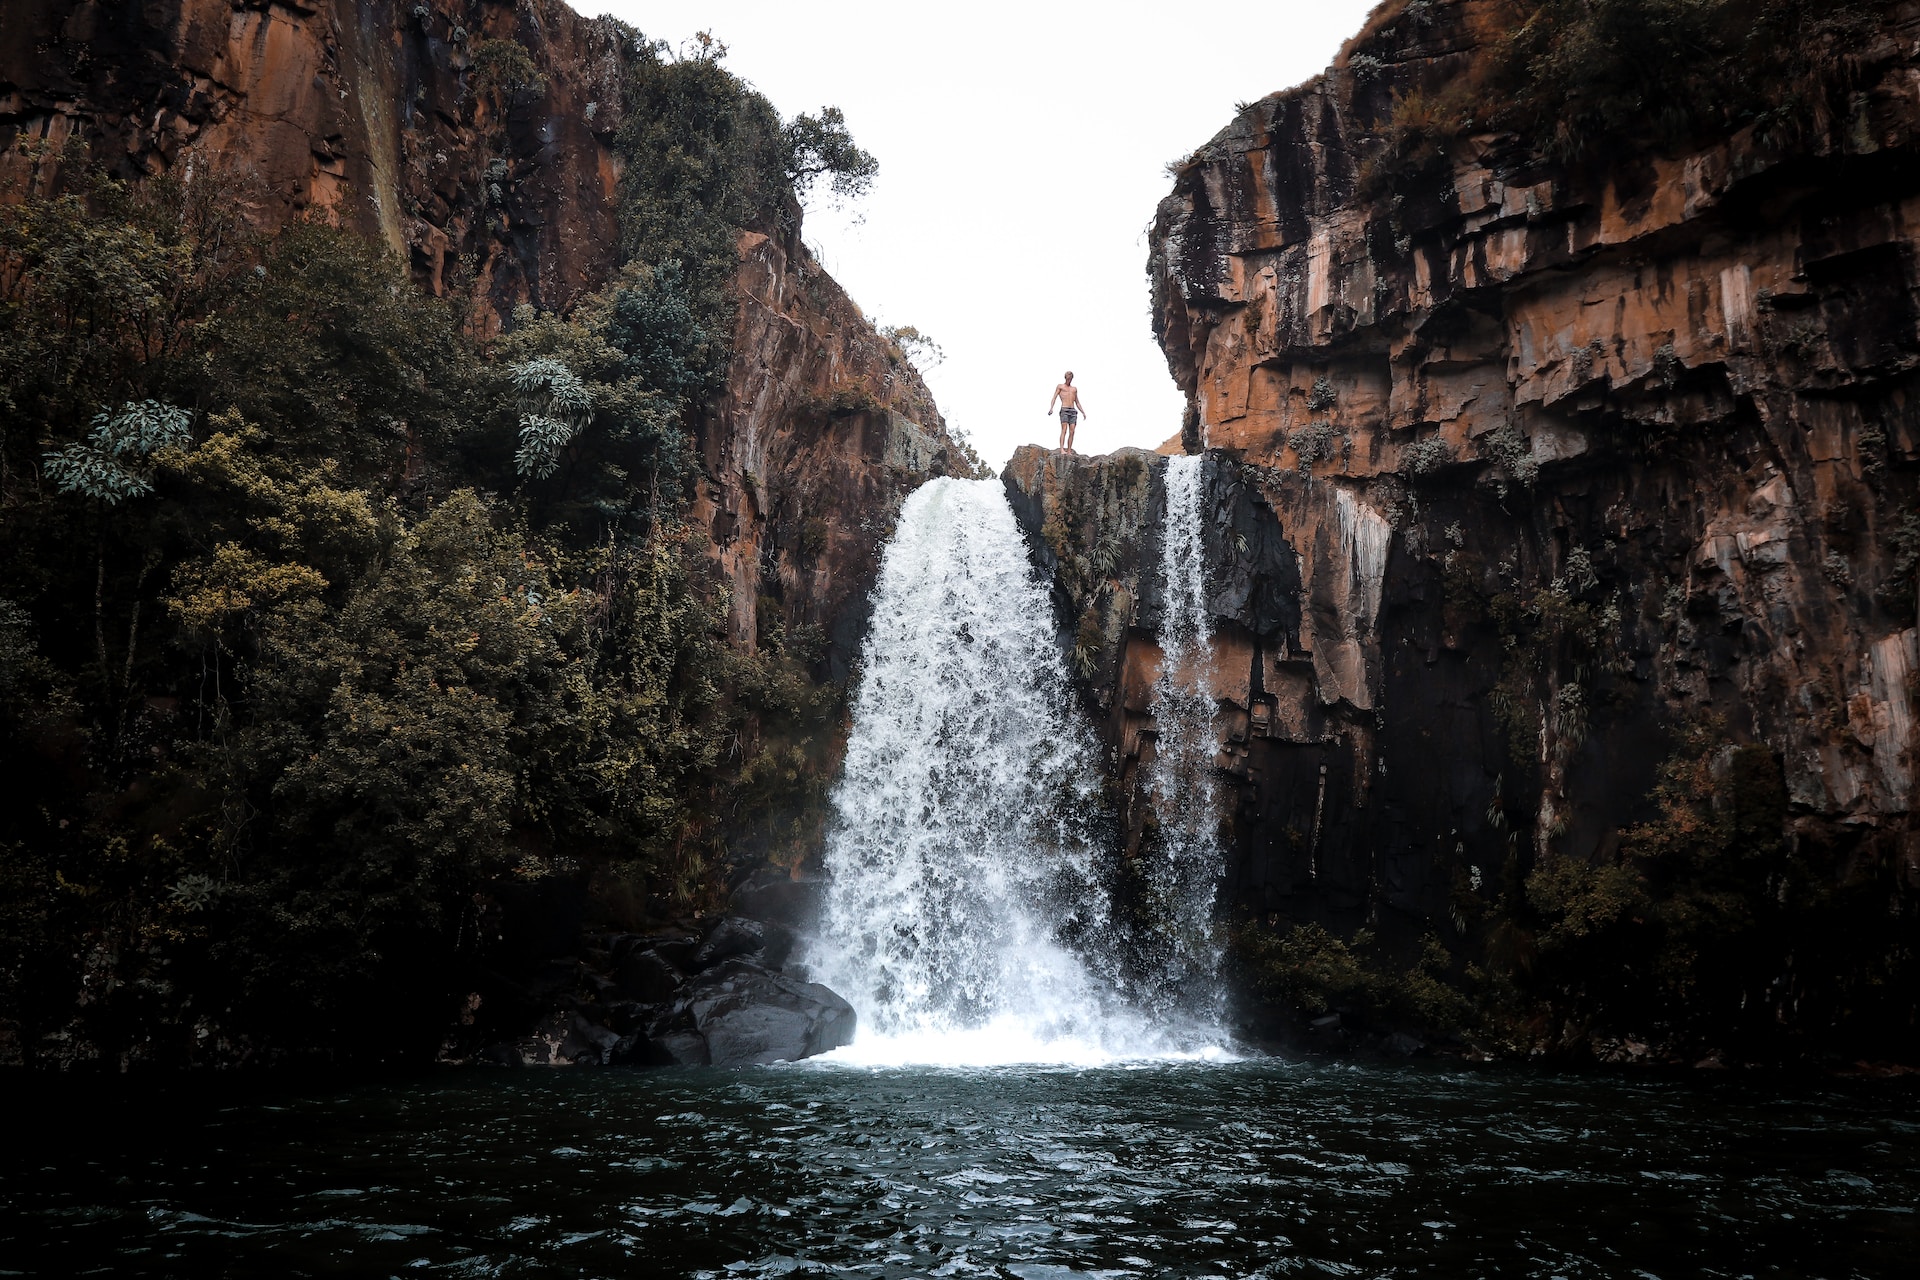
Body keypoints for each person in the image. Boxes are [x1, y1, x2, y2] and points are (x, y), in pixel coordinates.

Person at [1047, 371, 1088, 453]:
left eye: (1070, 378)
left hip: (1073, 411)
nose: (1069, 380)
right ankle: (1062, 449)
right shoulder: (1060, 386)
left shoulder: (1074, 389)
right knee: (1064, 429)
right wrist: (1051, 408)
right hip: (1064, 409)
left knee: (1072, 431)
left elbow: (1077, 402)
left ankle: (1069, 450)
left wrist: (1083, 412)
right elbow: (1054, 397)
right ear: (1065, 378)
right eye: (1068, 378)